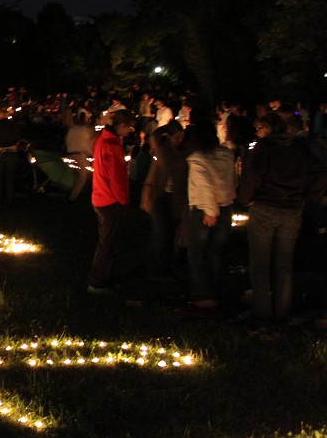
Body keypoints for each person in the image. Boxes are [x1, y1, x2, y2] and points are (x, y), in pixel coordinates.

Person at [238, 114, 327, 324]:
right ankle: (282, 313)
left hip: (265, 208)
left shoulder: (264, 148)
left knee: (260, 264)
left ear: (269, 127)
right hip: (292, 210)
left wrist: (246, 198)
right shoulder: (300, 148)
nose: (257, 129)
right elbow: (322, 171)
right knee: (284, 265)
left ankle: (262, 314)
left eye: (260, 126)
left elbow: (253, 176)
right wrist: (307, 196)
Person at [183, 119, 236, 311]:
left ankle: (202, 295)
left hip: (205, 211)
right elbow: (231, 179)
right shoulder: (227, 155)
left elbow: (204, 186)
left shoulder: (198, 159)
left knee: (197, 253)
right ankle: (214, 290)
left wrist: (210, 211)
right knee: (215, 252)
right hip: (226, 206)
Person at [87, 110, 135, 295]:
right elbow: (116, 177)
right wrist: (123, 199)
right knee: (108, 243)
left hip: (101, 196)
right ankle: (97, 282)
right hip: (110, 200)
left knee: (108, 241)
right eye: (129, 127)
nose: (130, 131)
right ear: (121, 126)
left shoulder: (103, 140)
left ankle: (106, 278)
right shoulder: (111, 144)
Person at [139, 121, 187, 282]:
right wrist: (167, 130)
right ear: (170, 137)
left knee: (170, 232)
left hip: (174, 197)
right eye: (177, 137)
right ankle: (157, 269)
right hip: (159, 196)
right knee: (162, 232)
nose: (180, 140)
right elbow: (155, 135)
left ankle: (165, 266)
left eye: (182, 137)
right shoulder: (162, 149)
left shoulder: (183, 152)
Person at [65, 111, 96, 202]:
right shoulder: (86, 130)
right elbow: (90, 143)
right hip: (80, 155)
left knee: (76, 176)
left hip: (70, 154)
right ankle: (72, 198)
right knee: (82, 178)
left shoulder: (72, 130)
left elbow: (67, 141)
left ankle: (74, 194)